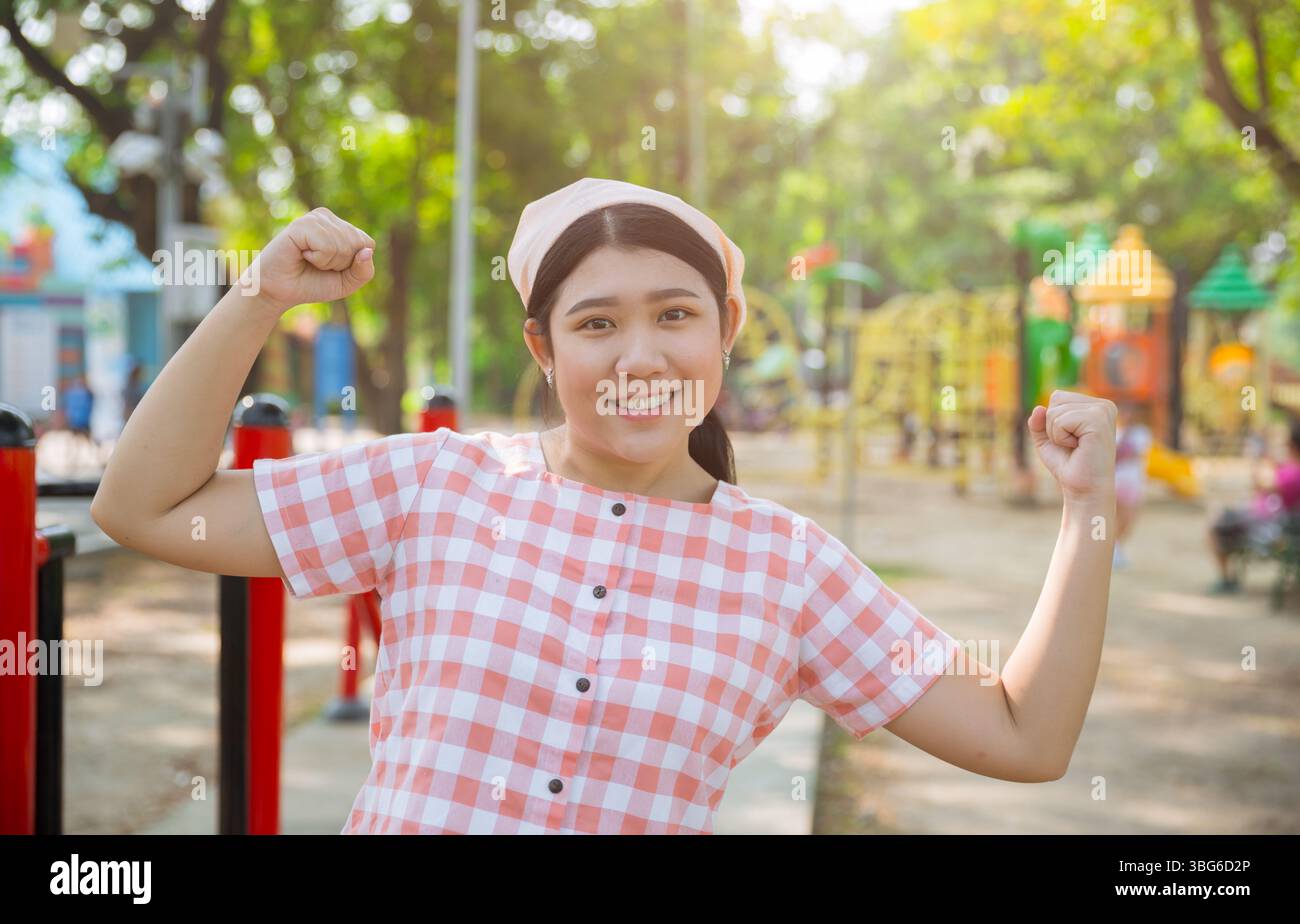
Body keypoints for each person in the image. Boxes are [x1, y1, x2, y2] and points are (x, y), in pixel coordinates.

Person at [91, 179, 1119, 835]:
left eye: (676, 314)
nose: (640, 357)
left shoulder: (787, 566)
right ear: (544, 348)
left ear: (727, 331)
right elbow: (142, 505)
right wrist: (256, 297)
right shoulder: (433, 485)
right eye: (596, 323)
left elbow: (1022, 737)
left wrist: (1086, 511)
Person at [1207, 419, 1300, 594]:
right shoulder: (1290, 469)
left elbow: (1264, 484)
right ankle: (1227, 578)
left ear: (1291, 445)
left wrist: (1257, 466)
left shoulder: (1294, 473)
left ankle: (1227, 579)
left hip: (1276, 528)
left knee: (1217, 525)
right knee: (1224, 519)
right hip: (1278, 524)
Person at [1112, 401, 1153, 569]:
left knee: (1129, 519)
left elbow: (1136, 453)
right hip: (1117, 481)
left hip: (1133, 482)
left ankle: (1117, 547)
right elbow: (1115, 455)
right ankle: (1113, 549)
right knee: (1117, 517)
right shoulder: (1114, 433)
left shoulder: (1142, 433)